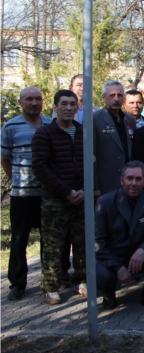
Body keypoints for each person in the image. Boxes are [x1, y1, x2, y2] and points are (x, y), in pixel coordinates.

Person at [31, 89, 87, 305]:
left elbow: (90, 163)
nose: (68, 108)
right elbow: (41, 168)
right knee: (54, 245)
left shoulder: (83, 132)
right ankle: (51, 286)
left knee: (82, 243)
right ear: (55, 107)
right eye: (64, 104)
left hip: (81, 197)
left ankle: (81, 279)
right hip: (55, 200)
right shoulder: (44, 134)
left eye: (72, 104)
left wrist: (82, 189)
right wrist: (66, 192)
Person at [94, 161, 144, 312]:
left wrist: (143, 249)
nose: (134, 183)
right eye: (129, 178)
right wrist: (117, 266)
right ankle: (109, 296)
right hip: (115, 256)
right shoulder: (105, 202)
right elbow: (97, 242)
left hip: (141, 254)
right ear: (121, 180)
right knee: (100, 273)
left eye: (138, 179)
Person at [2, 87, 52, 300]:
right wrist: (16, 179)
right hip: (22, 194)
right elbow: (4, 158)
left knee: (48, 239)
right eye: (29, 99)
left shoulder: (50, 123)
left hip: (48, 193)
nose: (34, 103)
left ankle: (49, 281)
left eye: (37, 99)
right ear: (21, 102)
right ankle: (17, 283)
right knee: (20, 238)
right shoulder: (10, 126)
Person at [94, 81, 136, 195]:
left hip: (128, 182)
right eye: (112, 95)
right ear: (103, 97)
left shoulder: (129, 120)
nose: (116, 99)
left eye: (120, 95)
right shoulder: (95, 119)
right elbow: (91, 156)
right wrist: (94, 187)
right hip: (106, 183)